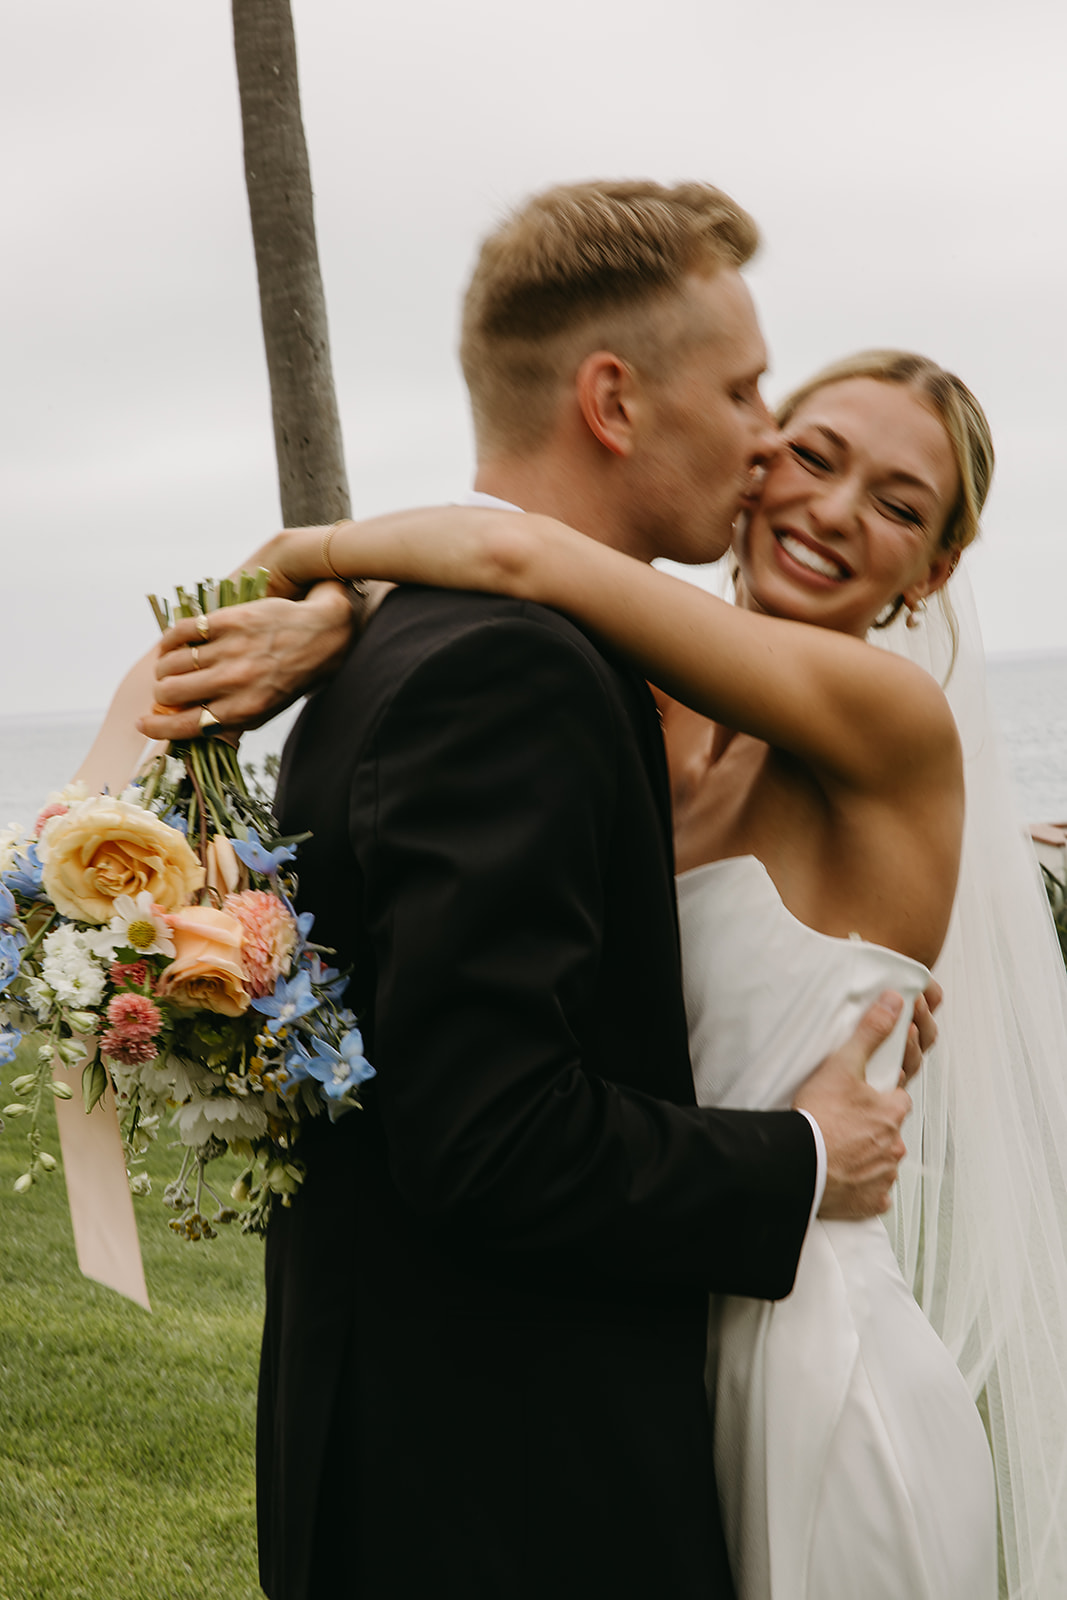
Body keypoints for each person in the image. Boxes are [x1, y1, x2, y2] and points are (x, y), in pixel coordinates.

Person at [143, 181, 933, 1600]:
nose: (766, 447)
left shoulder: (412, 651)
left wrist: (330, 584)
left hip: (443, 1447)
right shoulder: (517, 673)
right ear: (614, 401)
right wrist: (804, 1154)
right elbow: (497, 1138)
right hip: (511, 1490)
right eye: (755, 395)